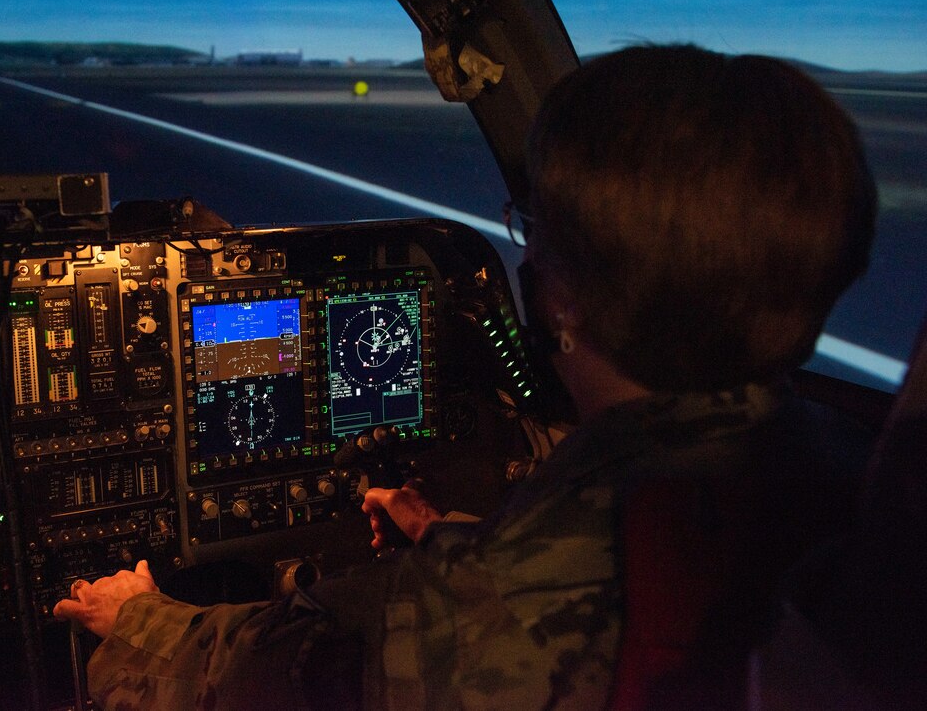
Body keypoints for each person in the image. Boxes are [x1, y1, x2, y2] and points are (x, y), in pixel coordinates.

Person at [53, 45, 877, 710]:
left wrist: (139, 620)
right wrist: (455, 540)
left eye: (534, 235)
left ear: (559, 292)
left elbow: (248, 682)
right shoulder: (862, 476)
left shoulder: (493, 611)